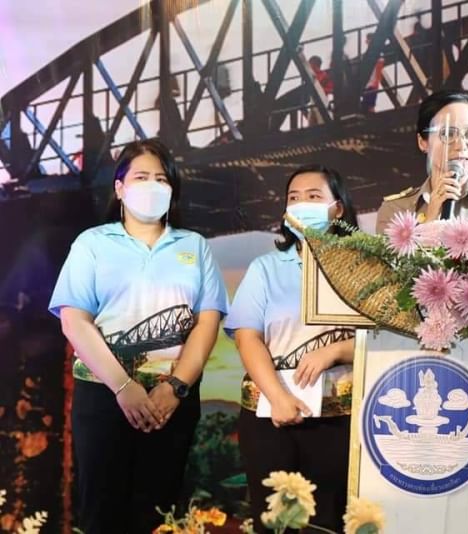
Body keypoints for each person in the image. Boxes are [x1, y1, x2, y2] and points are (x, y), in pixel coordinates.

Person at [48, 139, 228, 533]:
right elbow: (74, 320)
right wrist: (123, 386)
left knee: (161, 515)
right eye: (141, 177)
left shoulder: (194, 246)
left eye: (161, 179)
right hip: (103, 395)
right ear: (119, 188)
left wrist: (175, 387)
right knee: (102, 513)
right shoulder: (93, 243)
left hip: (173, 401)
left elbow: (207, 322)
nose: (152, 185)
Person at [226, 164, 359, 533]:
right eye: (294, 198)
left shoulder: (362, 269)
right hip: (270, 416)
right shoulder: (266, 268)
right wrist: (278, 397)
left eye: (313, 196)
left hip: (340, 418)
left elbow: (384, 339)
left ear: (337, 208)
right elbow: (247, 336)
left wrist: (334, 352)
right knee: (274, 522)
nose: (301, 204)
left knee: (329, 521)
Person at [375, 89, 468, 235]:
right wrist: (430, 220)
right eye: (448, 133)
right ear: (423, 142)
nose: (461, 145)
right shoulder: (394, 210)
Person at [360, 33, 385, 114]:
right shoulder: (368, 55)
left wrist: (376, 83)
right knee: (368, 105)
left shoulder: (377, 55)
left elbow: (378, 71)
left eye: (369, 39)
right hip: (368, 84)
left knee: (370, 106)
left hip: (371, 84)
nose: (367, 41)